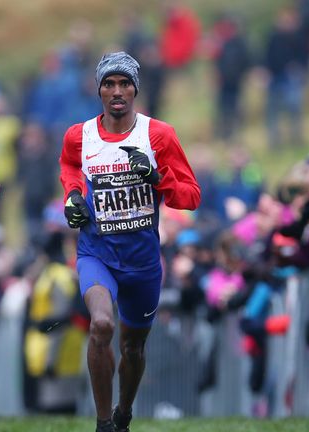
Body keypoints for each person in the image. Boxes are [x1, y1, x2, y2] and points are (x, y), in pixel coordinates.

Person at [58, 51, 200, 432]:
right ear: (99, 91)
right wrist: (73, 196)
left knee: (132, 347)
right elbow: (70, 166)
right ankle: (104, 423)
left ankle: (124, 413)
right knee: (101, 325)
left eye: (124, 84)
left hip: (142, 262)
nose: (117, 91)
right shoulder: (80, 135)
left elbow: (191, 196)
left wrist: (156, 178)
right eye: (109, 84)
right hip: (96, 253)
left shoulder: (158, 135)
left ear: (135, 89)